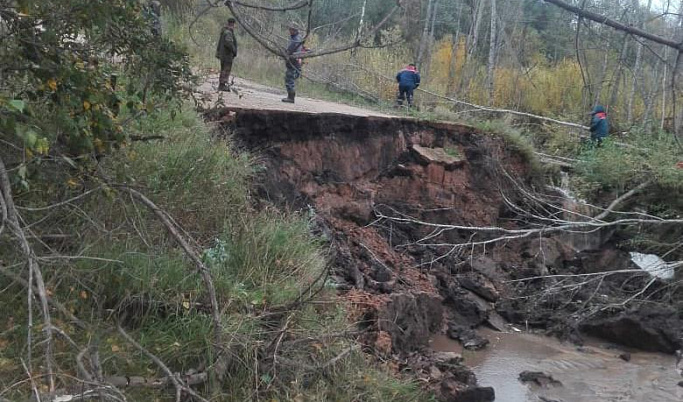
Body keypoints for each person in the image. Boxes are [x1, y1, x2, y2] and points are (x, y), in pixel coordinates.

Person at [282, 24, 303, 103]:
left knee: (289, 80)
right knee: (289, 79)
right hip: (293, 63)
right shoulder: (295, 38)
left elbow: (290, 50)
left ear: (295, 31)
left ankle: (291, 98)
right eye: (289, 29)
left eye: (291, 30)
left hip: (293, 63)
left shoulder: (296, 39)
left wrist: (285, 53)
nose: (289, 31)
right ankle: (290, 97)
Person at [216, 18, 238, 92]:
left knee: (223, 69)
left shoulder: (225, 31)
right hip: (227, 55)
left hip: (224, 54)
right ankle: (222, 85)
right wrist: (234, 50)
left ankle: (222, 85)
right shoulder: (228, 32)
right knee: (226, 69)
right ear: (232, 24)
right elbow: (228, 43)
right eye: (234, 24)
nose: (235, 26)